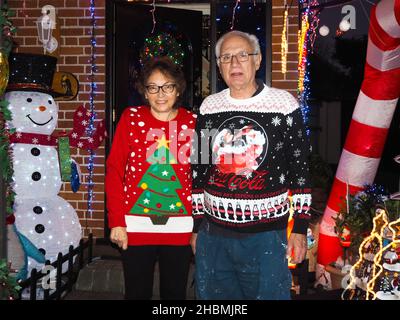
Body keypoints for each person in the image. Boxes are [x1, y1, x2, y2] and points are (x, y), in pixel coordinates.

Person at [190, 30, 313, 300]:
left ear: (257, 61)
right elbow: (198, 170)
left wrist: (301, 228)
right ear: (219, 66)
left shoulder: (283, 103)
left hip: (267, 236)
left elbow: (300, 169)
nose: (234, 63)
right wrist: (197, 226)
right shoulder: (209, 106)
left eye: (243, 55)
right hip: (214, 234)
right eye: (226, 57)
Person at [105, 56, 197, 300]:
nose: (160, 94)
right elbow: (114, 170)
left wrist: (199, 227)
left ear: (178, 90)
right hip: (134, 225)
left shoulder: (193, 122)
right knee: (136, 292)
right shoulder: (131, 118)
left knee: (175, 294)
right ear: (144, 92)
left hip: (180, 226)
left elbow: (200, 178)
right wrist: (116, 221)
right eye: (153, 87)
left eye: (167, 86)